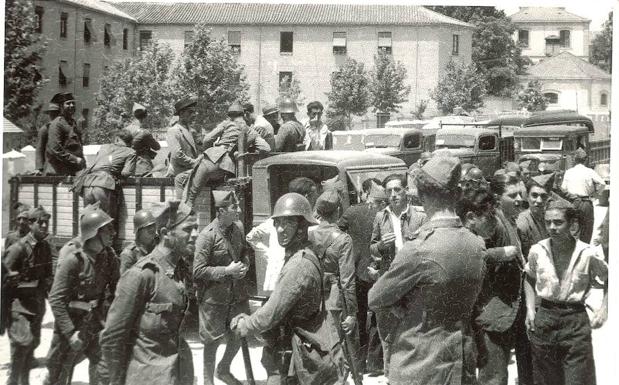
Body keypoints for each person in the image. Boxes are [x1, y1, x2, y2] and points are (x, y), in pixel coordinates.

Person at [368, 156, 486, 385]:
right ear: (455, 195)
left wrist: (400, 306)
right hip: (460, 364)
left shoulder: (418, 249)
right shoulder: (476, 244)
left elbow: (375, 297)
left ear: (421, 196)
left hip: (419, 365)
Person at [101, 201, 197, 385]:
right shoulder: (142, 275)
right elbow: (112, 338)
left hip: (178, 375)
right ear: (165, 234)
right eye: (188, 229)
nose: (195, 235)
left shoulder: (180, 272)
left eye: (196, 228)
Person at [230, 193, 322, 384]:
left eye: (288, 223)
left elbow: (271, 313)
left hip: (294, 356)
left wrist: (246, 324)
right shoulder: (300, 256)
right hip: (293, 349)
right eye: (277, 223)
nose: (280, 229)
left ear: (301, 227)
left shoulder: (299, 265)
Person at [524, 199, 608, 385]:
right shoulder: (538, 250)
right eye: (548, 222)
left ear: (572, 224)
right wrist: (530, 309)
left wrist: (604, 308)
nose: (552, 227)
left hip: (575, 320)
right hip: (545, 318)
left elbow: (610, 277)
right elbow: (529, 277)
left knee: (577, 379)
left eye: (558, 222)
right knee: (545, 378)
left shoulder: (587, 253)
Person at [45, 203, 119, 385]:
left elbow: (117, 291)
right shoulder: (73, 260)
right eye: (107, 229)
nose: (113, 233)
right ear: (94, 232)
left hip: (95, 322)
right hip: (72, 323)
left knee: (104, 370)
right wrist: (70, 333)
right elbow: (56, 299)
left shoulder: (109, 257)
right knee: (59, 373)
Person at [477, 172, 532, 385]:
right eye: (513, 195)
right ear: (498, 198)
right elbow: (472, 254)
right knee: (494, 378)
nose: (519, 199)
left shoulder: (512, 221)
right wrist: (501, 253)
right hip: (495, 313)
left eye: (520, 193)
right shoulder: (493, 223)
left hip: (513, 311)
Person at [368, 173, 426, 377]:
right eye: (389, 191)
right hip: (390, 281)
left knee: (414, 335)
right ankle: (389, 376)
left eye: (397, 190)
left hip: (414, 283)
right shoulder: (380, 217)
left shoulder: (420, 217)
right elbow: (372, 249)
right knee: (388, 337)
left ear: (406, 191)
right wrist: (381, 246)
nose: (393, 195)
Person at [193, 191, 250, 385]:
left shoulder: (238, 228)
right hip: (213, 300)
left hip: (236, 296)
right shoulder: (206, 236)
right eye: (235, 207)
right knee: (212, 341)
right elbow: (198, 271)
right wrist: (227, 270)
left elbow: (244, 253)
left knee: (239, 333)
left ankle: (223, 369)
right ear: (221, 210)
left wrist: (244, 267)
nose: (239, 210)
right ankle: (208, 381)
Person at [182, 101, 270, 207]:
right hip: (227, 168)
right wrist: (247, 151)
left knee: (190, 196)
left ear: (229, 116)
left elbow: (207, 139)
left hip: (210, 160)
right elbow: (266, 148)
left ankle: (183, 218)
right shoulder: (250, 130)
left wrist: (210, 153)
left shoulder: (226, 124)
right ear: (243, 115)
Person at [2, 206, 53, 385]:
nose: (45, 226)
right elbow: (2, 279)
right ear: (31, 224)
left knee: (32, 345)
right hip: (18, 306)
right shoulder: (18, 248)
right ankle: (13, 381)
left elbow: (48, 277)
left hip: (36, 306)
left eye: (47, 223)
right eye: (41, 223)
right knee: (22, 345)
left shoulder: (45, 247)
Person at [310, 190, 357, 377]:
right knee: (338, 347)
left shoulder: (308, 236)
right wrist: (352, 313)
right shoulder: (343, 239)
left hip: (313, 297)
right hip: (335, 300)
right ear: (338, 210)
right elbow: (347, 280)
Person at [337, 178, 381, 373]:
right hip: (378, 271)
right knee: (378, 318)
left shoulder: (352, 212)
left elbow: (338, 232)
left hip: (357, 273)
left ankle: (358, 362)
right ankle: (374, 362)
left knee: (359, 317)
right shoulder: (382, 213)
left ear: (363, 192)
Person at [75, 129, 137, 218]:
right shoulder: (130, 152)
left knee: (89, 221)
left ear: (116, 139)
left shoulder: (104, 147)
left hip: (88, 184)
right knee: (107, 221)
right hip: (105, 184)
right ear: (130, 142)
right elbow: (126, 173)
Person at [560, 148, 606, 243]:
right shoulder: (589, 171)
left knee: (573, 229)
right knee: (587, 230)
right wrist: (596, 195)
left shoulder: (569, 172)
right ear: (585, 160)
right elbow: (602, 184)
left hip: (572, 202)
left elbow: (563, 188)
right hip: (586, 203)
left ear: (574, 160)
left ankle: (572, 251)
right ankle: (584, 251)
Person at [44, 92, 86, 176]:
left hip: (74, 170)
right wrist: (75, 159)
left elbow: (78, 146)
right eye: (68, 103)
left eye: (73, 103)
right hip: (59, 172)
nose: (71, 105)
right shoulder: (57, 124)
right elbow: (56, 149)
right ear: (61, 106)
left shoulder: (73, 123)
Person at [167, 97, 200, 198]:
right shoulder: (174, 131)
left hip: (191, 172)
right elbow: (177, 155)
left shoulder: (191, 131)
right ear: (181, 114)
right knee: (182, 206)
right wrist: (194, 163)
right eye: (190, 112)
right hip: (181, 174)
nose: (193, 115)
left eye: (194, 112)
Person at [517, 173, 554, 257]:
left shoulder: (550, 218)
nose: (539, 200)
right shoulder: (522, 223)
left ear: (549, 197)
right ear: (527, 196)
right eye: (534, 195)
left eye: (543, 196)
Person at [125, 102, 162, 177]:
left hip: (126, 167)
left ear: (133, 115)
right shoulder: (144, 133)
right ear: (145, 117)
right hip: (142, 167)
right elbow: (157, 147)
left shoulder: (125, 130)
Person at [119, 208, 158, 274]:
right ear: (139, 232)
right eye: (149, 231)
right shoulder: (129, 254)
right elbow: (125, 281)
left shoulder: (156, 247)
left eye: (154, 231)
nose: (153, 235)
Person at [35, 94, 62, 175]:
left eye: (56, 113)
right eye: (52, 113)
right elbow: (40, 148)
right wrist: (39, 168)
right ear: (49, 115)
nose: (54, 116)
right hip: (50, 167)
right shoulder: (45, 129)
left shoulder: (64, 128)